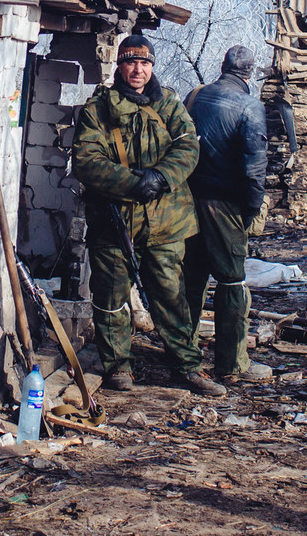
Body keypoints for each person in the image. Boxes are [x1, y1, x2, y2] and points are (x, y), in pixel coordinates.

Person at [71, 34, 227, 398]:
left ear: (152, 66)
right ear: (119, 66)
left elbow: (188, 145)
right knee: (110, 297)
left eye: (144, 63)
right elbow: (86, 161)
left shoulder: (169, 103)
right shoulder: (98, 109)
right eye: (130, 62)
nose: (137, 69)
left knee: (171, 297)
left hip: (166, 222)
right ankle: (117, 367)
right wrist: (130, 184)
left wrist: (161, 177)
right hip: (114, 222)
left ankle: (186, 367)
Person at [182, 45, 273, 386]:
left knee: (190, 280)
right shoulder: (250, 106)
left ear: (222, 66)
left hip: (186, 201)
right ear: (249, 73)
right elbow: (254, 169)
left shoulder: (194, 96)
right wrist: (249, 210)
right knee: (232, 282)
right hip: (223, 204)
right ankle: (231, 363)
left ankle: (185, 357)